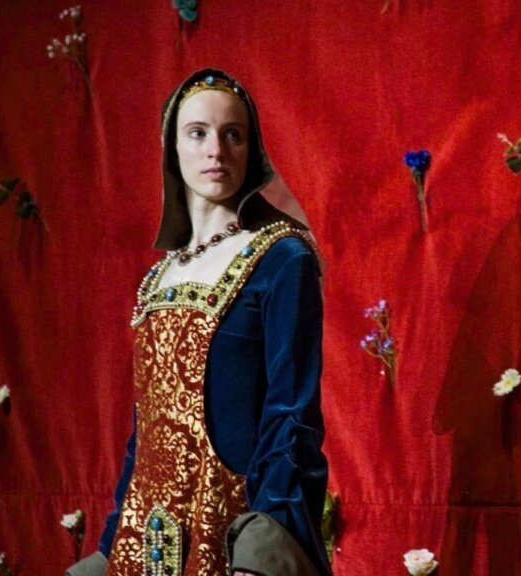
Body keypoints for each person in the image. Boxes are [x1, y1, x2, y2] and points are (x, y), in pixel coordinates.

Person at [67, 68, 331, 576]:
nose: (216, 150)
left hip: (229, 537)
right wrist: (111, 544)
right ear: (172, 148)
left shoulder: (281, 259)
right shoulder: (158, 278)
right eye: (198, 133)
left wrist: (265, 546)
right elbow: (144, 437)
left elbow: (292, 415)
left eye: (233, 134)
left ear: (251, 149)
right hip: (145, 542)